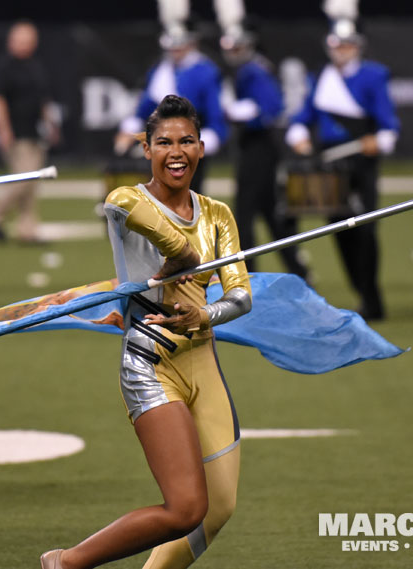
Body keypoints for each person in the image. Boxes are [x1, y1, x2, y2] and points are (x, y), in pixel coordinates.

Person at [40, 95, 251, 569]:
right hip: (150, 366)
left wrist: (204, 316)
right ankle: (66, 562)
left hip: (203, 361)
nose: (175, 152)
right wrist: (183, 258)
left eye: (186, 142)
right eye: (163, 143)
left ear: (201, 148)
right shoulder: (125, 200)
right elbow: (156, 230)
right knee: (185, 509)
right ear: (147, 149)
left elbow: (240, 296)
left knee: (218, 509)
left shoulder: (218, 214)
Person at [284, 16, 399, 321]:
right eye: (337, 45)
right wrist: (299, 137)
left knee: (365, 230)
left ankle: (372, 297)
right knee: (339, 230)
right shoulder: (321, 77)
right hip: (329, 165)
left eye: (347, 45)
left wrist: (379, 139)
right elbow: (303, 117)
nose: (342, 50)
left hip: (360, 165)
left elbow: (388, 123)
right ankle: (360, 291)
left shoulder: (374, 76)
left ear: (358, 47)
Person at [220, 27, 310, 281]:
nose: (232, 54)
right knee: (270, 215)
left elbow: (271, 108)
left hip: (259, 147)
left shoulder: (255, 70)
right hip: (255, 146)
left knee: (244, 213)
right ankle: (297, 270)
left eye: (236, 48)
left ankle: (248, 274)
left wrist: (247, 112)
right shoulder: (249, 69)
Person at [114, 21, 227, 195]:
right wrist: (130, 128)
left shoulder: (205, 71)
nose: (175, 51)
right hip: (162, 139)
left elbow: (215, 113)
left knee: (187, 196)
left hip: (188, 138)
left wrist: (208, 137)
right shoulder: (161, 69)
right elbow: (146, 105)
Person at [0, 20, 58, 244]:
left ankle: (27, 229)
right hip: (17, 131)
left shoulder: (35, 65)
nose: (24, 45)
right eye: (20, 40)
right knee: (24, 179)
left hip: (34, 130)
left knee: (32, 184)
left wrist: (50, 124)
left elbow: (43, 99)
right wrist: (4, 130)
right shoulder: (4, 66)